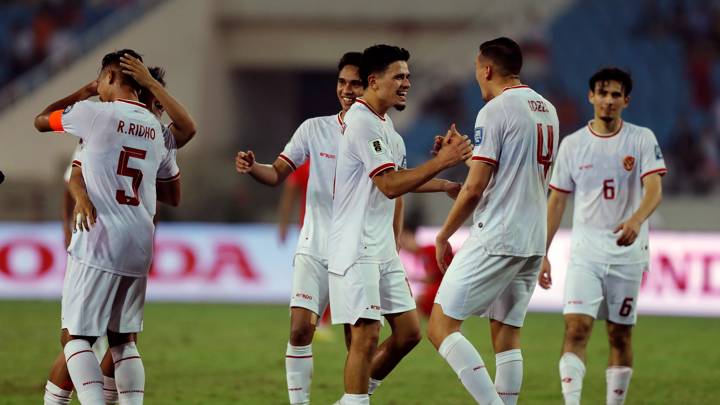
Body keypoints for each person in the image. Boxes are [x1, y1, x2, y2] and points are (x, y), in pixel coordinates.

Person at [35, 49, 181, 405]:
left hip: (99, 236)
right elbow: (173, 194)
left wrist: (83, 92)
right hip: (140, 239)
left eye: (101, 78)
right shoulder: (157, 129)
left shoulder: (93, 114)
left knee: (75, 339)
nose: (98, 85)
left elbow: (41, 120)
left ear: (112, 77)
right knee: (123, 340)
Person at [327, 44, 471, 405]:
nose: (407, 82)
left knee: (408, 333)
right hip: (356, 245)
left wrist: (444, 182)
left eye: (408, 76)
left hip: (381, 248)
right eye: (399, 76)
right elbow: (389, 185)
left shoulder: (387, 125)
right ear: (374, 81)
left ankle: (352, 400)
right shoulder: (361, 122)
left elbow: (400, 177)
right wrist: (442, 163)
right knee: (365, 338)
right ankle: (356, 400)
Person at [427, 37, 559, 405]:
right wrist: (464, 153)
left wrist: (444, 234)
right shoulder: (546, 108)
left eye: (476, 70)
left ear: (486, 69)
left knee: (440, 327)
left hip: (498, 235)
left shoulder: (495, 110)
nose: (476, 77)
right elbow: (510, 171)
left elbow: (474, 189)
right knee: (506, 337)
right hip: (533, 239)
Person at [235, 52, 366, 405]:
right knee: (300, 328)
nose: (347, 89)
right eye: (342, 82)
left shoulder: (382, 135)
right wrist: (253, 167)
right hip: (315, 244)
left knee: (358, 340)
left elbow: (393, 191)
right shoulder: (314, 128)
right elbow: (278, 172)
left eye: (355, 83)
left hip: (357, 250)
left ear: (369, 86)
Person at [539, 67, 666, 405]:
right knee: (576, 328)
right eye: (602, 93)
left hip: (628, 254)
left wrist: (637, 220)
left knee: (620, 335)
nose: (608, 100)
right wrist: (543, 252)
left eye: (615, 95)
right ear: (590, 96)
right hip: (585, 255)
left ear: (626, 100)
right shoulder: (573, 145)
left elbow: (654, 190)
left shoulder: (641, 139)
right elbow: (556, 202)